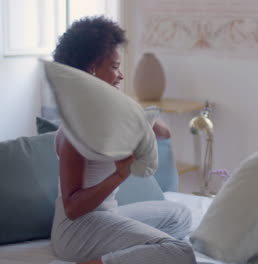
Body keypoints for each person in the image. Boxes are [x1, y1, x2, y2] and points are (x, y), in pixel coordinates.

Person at [50, 16, 196, 264]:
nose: (121, 75)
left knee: (179, 215)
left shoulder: (106, 113)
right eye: (116, 66)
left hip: (107, 215)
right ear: (91, 69)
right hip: (77, 231)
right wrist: (119, 175)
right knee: (181, 252)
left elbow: (162, 133)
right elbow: (73, 207)